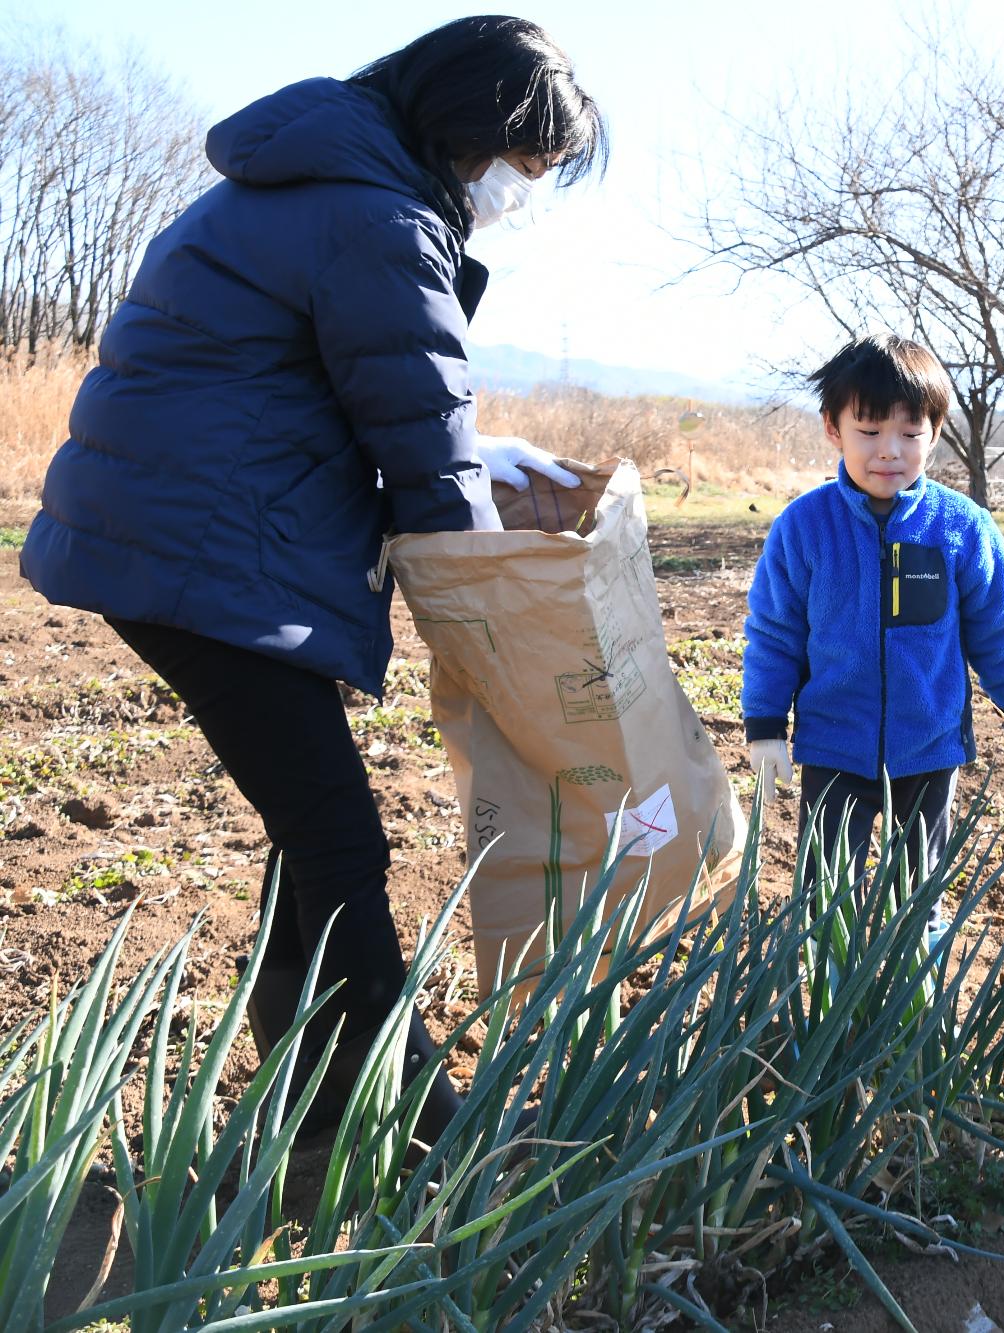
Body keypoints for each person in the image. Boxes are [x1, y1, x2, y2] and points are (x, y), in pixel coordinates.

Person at [20, 16, 604, 1144]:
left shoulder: (323, 173)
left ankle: (308, 1102)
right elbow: (425, 459)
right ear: (467, 125)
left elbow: (329, 387)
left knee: (315, 832)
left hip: (172, 531)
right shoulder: (378, 214)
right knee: (338, 838)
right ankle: (428, 1131)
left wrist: (482, 453)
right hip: (201, 555)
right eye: (523, 167)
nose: (518, 194)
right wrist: (505, 638)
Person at [741, 334, 1004, 900]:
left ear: (934, 433)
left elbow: (997, 630)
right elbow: (775, 634)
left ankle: (921, 989)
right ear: (833, 428)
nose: (890, 451)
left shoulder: (963, 526)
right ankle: (829, 981)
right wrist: (764, 725)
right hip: (834, 741)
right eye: (870, 431)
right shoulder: (804, 527)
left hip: (929, 744)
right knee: (825, 897)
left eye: (910, 434)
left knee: (919, 895)